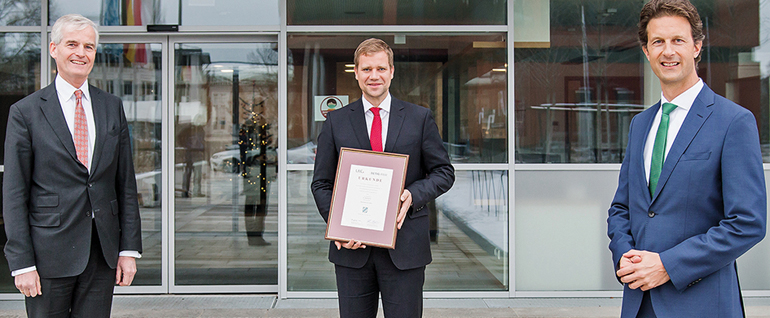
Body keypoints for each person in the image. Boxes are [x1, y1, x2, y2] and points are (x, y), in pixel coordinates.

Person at [607, 0, 766, 317]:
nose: (668, 52)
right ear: (646, 51)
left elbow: (747, 223)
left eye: (678, 40)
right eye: (658, 42)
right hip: (640, 302)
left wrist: (667, 265)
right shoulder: (641, 124)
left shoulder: (734, 121)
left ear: (697, 46)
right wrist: (624, 256)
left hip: (702, 303)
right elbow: (622, 207)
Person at [3, 14, 142, 317]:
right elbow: (14, 193)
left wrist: (128, 251)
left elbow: (125, 183)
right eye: (72, 44)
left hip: (101, 254)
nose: (81, 53)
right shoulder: (25, 112)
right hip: (47, 256)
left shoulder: (111, 106)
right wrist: (22, 263)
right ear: (54, 49)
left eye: (89, 46)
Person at [311, 38, 454, 318]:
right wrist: (337, 224)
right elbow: (321, 183)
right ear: (356, 72)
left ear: (391, 71)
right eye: (366, 69)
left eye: (380, 68)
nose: (373, 76)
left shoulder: (419, 118)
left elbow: (443, 172)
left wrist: (414, 194)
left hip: (405, 248)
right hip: (352, 249)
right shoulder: (336, 121)